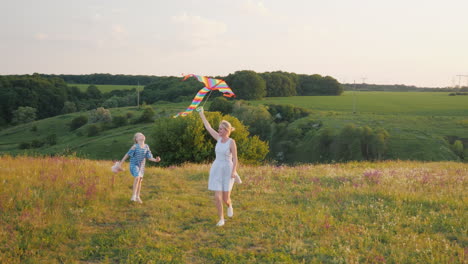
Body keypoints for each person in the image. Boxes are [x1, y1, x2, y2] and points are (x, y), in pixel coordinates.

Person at [197, 107, 241, 227]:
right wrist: (201, 113)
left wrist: (233, 172)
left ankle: (229, 205)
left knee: (225, 199)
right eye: (219, 129)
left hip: (228, 169)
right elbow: (208, 127)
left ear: (226, 130)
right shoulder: (218, 138)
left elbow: (235, 159)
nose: (218, 130)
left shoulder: (231, 142)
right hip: (217, 168)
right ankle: (221, 219)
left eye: (221, 129)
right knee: (217, 196)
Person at [118, 132, 161, 203]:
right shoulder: (135, 146)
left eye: (142, 134)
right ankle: (133, 196)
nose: (142, 135)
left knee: (140, 180)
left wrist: (156, 160)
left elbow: (149, 157)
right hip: (134, 165)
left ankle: (138, 196)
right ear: (136, 139)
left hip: (141, 166)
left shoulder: (146, 146)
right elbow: (127, 154)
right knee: (137, 177)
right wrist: (120, 163)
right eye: (139, 135)